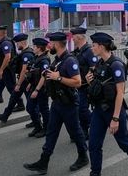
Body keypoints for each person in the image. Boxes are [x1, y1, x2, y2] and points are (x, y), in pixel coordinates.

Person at [23, 31, 89, 174]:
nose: (49, 46)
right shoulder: (57, 60)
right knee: (52, 132)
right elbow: (50, 74)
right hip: (57, 102)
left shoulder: (70, 61)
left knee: (76, 132)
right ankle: (43, 162)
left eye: (51, 43)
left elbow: (77, 82)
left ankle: (83, 157)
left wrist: (58, 78)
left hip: (69, 103)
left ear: (57, 44)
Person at [86, 32, 128, 176]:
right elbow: (99, 87)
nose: (92, 48)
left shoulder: (116, 65)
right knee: (94, 144)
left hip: (113, 110)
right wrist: (90, 81)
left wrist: (115, 119)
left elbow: (120, 92)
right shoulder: (99, 63)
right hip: (98, 110)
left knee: (124, 142)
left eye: (94, 45)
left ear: (101, 46)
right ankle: (95, 173)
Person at [0, 33, 31, 122]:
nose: (17, 45)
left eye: (18, 43)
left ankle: (37, 123)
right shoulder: (23, 53)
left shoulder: (27, 54)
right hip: (23, 81)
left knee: (31, 105)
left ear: (22, 42)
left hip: (26, 82)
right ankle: (5, 116)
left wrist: (18, 84)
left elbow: (24, 71)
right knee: (13, 98)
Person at [25, 37, 52, 138]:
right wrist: (29, 84)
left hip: (41, 89)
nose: (33, 48)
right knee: (30, 107)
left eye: (34, 46)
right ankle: (37, 126)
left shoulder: (44, 60)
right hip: (34, 86)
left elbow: (44, 76)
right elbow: (33, 73)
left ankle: (46, 128)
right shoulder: (37, 58)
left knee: (43, 109)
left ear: (39, 48)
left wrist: (36, 90)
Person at [71, 26, 95, 138]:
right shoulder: (76, 52)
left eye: (74, 37)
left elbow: (94, 67)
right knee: (80, 110)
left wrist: (90, 79)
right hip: (78, 85)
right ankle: (84, 130)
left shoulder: (89, 51)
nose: (72, 39)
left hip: (86, 86)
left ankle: (95, 125)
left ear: (79, 37)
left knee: (82, 109)